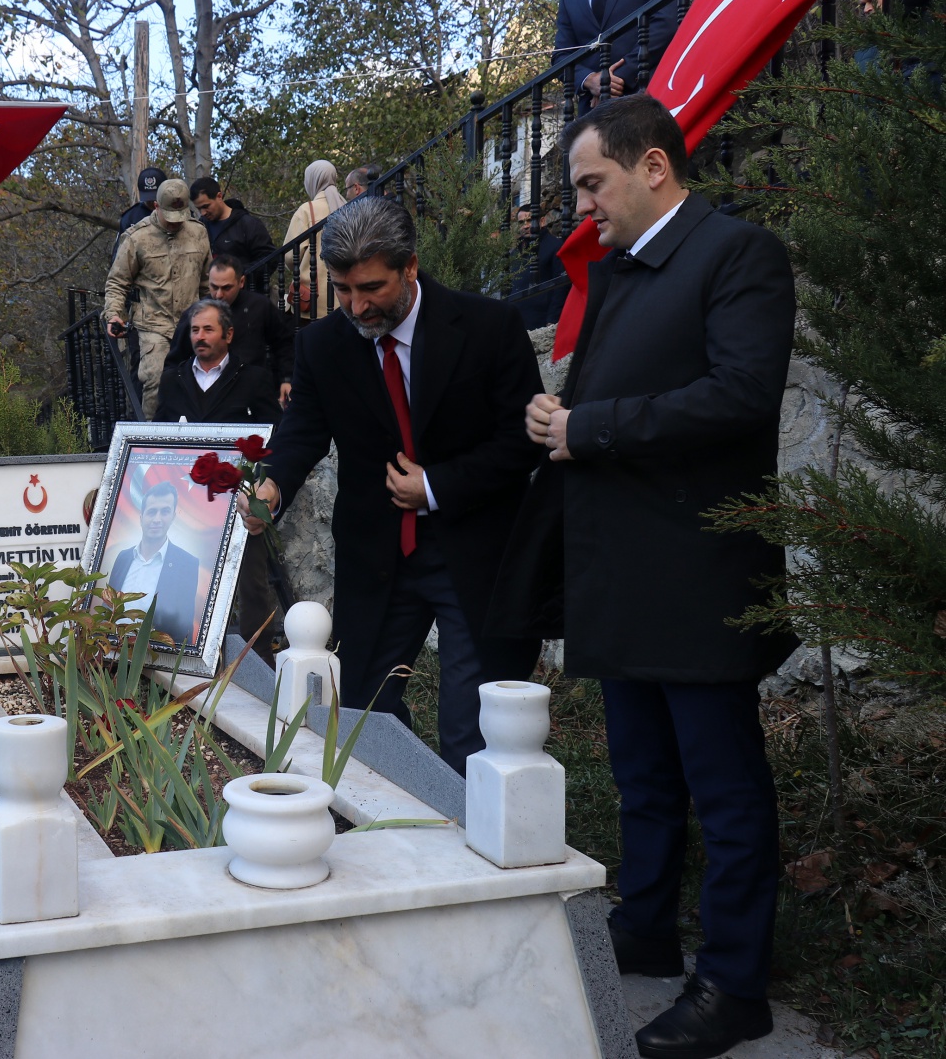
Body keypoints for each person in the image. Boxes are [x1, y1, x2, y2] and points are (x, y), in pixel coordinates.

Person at [510, 94, 795, 1058]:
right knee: (642, 775)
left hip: (697, 573)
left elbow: (740, 396)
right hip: (623, 572)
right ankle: (644, 927)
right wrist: (559, 418)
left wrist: (586, 428)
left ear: (655, 168)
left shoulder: (736, 255)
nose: (581, 204)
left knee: (723, 785)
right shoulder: (625, 268)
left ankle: (734, 981)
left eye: (593, 182)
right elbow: (608, 394)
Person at [242, 196, 544, 775]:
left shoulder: (488, 328)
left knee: (471, 724)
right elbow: (301, 431)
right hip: (378, 556)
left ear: (409, 266)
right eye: (343, 289)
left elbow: (521, 440)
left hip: (473, 553)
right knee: (363, 710)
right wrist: (272, 485)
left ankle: (473, 843)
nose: (357, 306)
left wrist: (435, 486)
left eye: (372, 288)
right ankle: (394, 824)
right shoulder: (322, 345)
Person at [155, 299, 283, 654]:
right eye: (195, 330)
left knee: (252, 581)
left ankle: (256, 660)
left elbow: (276, 436)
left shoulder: (254, 378)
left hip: (241, 497)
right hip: (188, 502)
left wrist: (262, 486)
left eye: (208, 329)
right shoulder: (172, 379)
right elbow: (159, 436)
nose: (200, 336)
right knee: (189, 575)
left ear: (228, 334)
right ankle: (185, 653)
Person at [104, 177, 212, 417]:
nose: (175, 224)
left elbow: (207, 282)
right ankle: (153, 441)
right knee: (155, 380)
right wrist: (113, 314)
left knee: (201, 382)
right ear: (156, 206)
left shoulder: (198, 233)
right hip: (154, 323)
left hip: (192, 322)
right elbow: (117, 282)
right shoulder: (136, 238)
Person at [163, 255, 296, 409]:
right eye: (214, 287)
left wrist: (287, 379)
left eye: (226, 288)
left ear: (241, 282)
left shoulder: (259, 307)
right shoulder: (196, 314)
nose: (219, 294)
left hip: (252, 391)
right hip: (208, 392)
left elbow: (284, 343)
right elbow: (175, 361)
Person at [554, 0, 679, 113]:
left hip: (649, 98)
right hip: (593, 113)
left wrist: (612, 80)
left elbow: (665, 23)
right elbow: (561, 56)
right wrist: (589, 80)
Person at [106, 480, 200, 644]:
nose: (157, 519)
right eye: (152, 512)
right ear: (141, 517)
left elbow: (184, 628)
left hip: (158, 657)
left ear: (173, 517)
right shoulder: (123, 558)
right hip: (114, 656)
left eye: (164, 512)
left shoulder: (187, 564)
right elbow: (108, 609)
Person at [282, 160, 346, 323]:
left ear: (311, 180)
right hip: (345, 298)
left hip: (313, 302)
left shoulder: (306, 210)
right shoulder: (348, 207)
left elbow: (289, 256)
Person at [188, 175, 276, 270]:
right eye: (199, 208)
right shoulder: (201, 227)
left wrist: (239, 276)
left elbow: (270, 259)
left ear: (219, 196)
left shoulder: (248, 224)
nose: (203, 213)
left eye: (206, 206)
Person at [509, 204, 567, 330]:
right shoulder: (515, 253)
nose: (525, 226)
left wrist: (552, 319)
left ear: (542, 221)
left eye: (530, 220)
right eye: (521, 222)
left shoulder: (555, 246)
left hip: (541, 322)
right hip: (517, 320)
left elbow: (561, 287)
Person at [117, 166, 165, 237]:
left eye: (155, 198)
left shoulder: (175, 213)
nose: (152, 203)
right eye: (149, 199)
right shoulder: (130, 218)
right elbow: (120, 247)